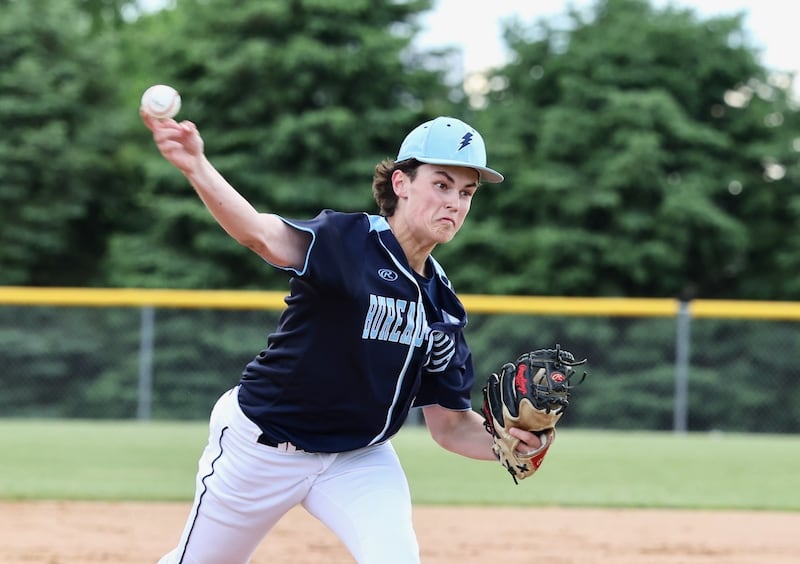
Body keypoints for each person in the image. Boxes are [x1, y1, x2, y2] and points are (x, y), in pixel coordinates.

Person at [143, 110, 543, 564]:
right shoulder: (346, 241)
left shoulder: (443, 305)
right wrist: (196, 164)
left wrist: (508, 442)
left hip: (358, 457)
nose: (455, 202)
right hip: (263, 446)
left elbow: (450, 426)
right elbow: (258, 234)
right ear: (401, 183)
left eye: (467, 192)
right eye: (442, 184)